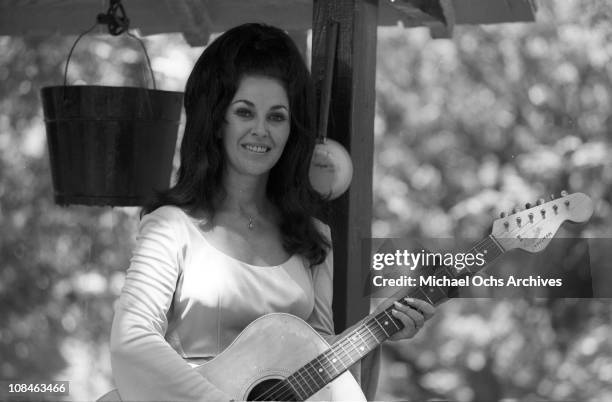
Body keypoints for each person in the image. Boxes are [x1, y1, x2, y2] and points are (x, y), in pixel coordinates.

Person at [109, 23, 435, 402]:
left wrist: (382, 329)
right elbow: (132, 340)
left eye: (277, 117)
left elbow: (321, 362)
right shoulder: (171, 226)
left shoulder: (313, 238)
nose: (261, 130)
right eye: (245, 112)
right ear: (217, 121)